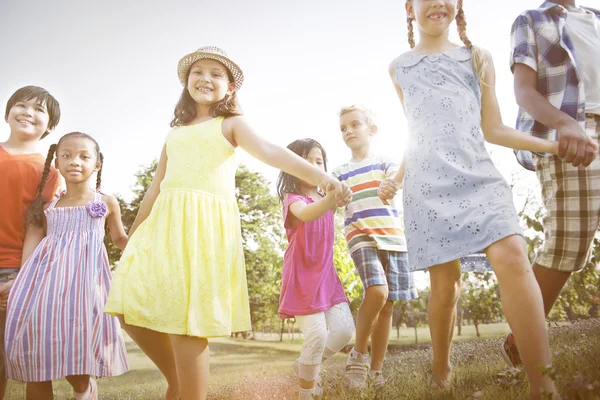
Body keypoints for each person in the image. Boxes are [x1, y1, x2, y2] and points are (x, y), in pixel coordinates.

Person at [104, 46, 352, 400]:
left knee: (187, 325)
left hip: (202, 231)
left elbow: (272, 152)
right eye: (198, 72)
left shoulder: (230, 124)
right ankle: (177, 379)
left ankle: (188, 391)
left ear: (230, 89)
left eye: (216, 74)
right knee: (126, 303)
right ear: (186, 82)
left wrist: (322, 177)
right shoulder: (174, 133)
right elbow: (156, 187)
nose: (205, 78)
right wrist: (133, 233)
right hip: (162, 229)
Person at [503, 0, 600, 368]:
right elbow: (524, 91)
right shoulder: (532, 20)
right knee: (567, 244)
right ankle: (521, 337)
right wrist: (565, 124)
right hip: (571, 133)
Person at [3, 132, 129, 400]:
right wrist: (21, 283)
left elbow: (120, 239)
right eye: (67, 156)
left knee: (77, 350)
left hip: (85, 287)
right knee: (36, 350)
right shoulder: (48, 207)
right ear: (57, 163)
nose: (75, 161)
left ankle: (84, 388)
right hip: (45, 287)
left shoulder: (105, 202)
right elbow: (33, 248)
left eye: (84, 156)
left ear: (97, 164)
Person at [332, 105, 417, 390]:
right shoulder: (340, 171)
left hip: (392, 237)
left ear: (372, 130)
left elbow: (397, 178)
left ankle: (376, 371)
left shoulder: (384, 163)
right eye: (343, 128)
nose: (348, 131)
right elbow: (333, 196)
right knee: (377, 291)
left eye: (355, 125)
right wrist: (337, 194)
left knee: (387, 305)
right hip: (361, 236)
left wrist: (391, 185)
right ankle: (358, 355)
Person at [0, 86, 61, 399]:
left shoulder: (50, 173)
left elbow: (39, 229)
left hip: (16, 273)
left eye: (39, 110)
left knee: (32, 366)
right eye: (21, 105)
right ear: (8, 113)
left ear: (49, 126)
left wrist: (23, 279)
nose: (27, 112)